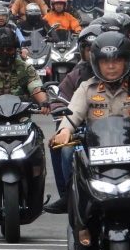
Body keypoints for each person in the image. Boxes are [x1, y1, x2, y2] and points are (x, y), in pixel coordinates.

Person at [49, 32, 130, 250]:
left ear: (127, 61)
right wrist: (65, 130)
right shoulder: (87, 88)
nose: (111, 67)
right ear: (96, 63)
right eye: (106, 61)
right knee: (78, 188)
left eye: (117, 60)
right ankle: (81, 237)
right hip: (97, 159)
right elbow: (73, 114)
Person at [44, 24, 104, 213]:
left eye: (96, 50)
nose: (111, 67)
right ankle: (67, 196)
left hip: (116, 131)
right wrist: (61, 115)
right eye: (88, 50)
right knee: (61, 148)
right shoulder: (77, 75)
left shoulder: (125, 73)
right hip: (81, 130)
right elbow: (60, 98)